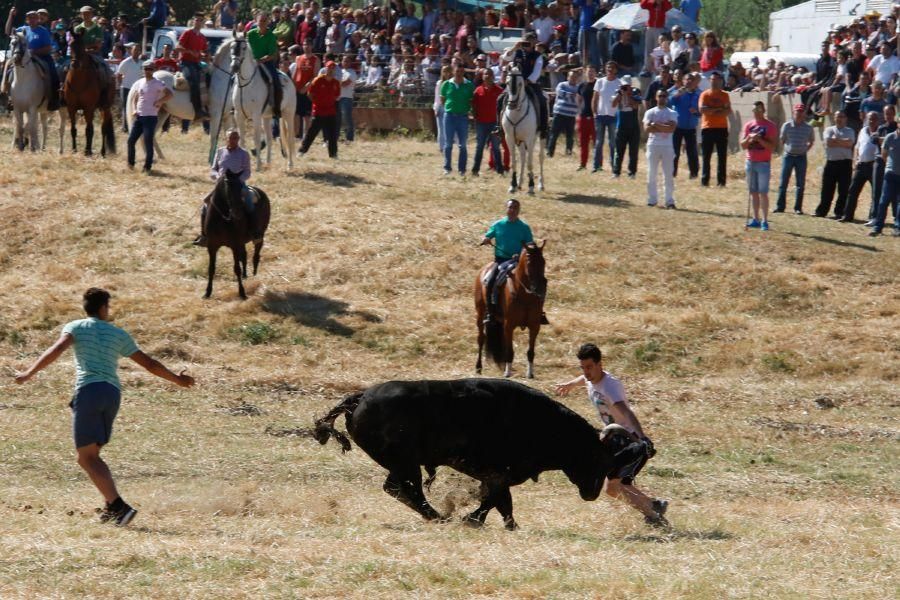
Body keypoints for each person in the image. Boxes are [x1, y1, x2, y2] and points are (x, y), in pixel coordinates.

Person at [13, 287, 194, 527]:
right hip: (112, 394)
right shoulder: (118, 334)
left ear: (86, 307)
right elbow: (149, 364)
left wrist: (28, 373)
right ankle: (111, 508)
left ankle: (120, 507)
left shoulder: (76, 327)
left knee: (86, 458)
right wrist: (178, 380)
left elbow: (57, 349)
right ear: (103, 307)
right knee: (93, 455)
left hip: (89, 391)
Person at [555, 343, 668, 527]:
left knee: (613, 487)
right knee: (615, 488)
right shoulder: (591, 379)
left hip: (629, 441)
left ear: (600, 364)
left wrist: (642, 438)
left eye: (589, 367)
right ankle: (654, 507)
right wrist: (571, 384)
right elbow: (584, 380)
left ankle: (653, 513)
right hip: (615, 440)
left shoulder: (610, 387)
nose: (586, 372)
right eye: (583, 368)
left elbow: (628, 413)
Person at [478, 199, 544, 322]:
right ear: (506, 209)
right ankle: (490, 310)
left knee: (538, 280)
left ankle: (539, 312)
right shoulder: (498, 225)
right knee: (491, 280)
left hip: (518, 261)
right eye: (510, 207)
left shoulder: (524, 227)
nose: (512, 210)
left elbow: (530, 244)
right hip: (500, 261)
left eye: (515, 208)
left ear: (519, 210)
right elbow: (488, 235)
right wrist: (486, 239)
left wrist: (522, 254)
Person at [194, 129, 257, 246]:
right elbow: (213, 169)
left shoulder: (244, 153)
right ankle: (204, 235)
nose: (234, 140)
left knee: (249, 200)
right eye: (231, 138)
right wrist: (218, 177)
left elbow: (247, 172)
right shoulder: (220, 152)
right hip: (221, 186)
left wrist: (237, 180)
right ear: (226, 139)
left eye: (236, 138)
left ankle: (254, 231)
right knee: (206, 203)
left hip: (238, 185)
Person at [4, 8, 61, 110]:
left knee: (53, 73)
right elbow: (8, 31)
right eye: (29, 18)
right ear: (27, 20)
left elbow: (48, 48)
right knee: (7, 69)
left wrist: (33, 52)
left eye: (34, 18)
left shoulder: (43, 31)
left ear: (38, 19)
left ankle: (54, 100)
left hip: (41, 56)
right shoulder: (22, 29)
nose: (32, 20)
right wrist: (10, 15)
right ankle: (8, 97)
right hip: (22, 57)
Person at [497, 33, 548, 136]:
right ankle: (499, 127)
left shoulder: (538, 56)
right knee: (500, 99)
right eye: (526, 41)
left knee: (542, 100)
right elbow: (505, 58)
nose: (528, 43)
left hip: (530, 84)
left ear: (534, 42)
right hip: (514, 83)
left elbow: (537, 72)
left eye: (530, 41)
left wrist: (528, 81)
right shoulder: (517, 52)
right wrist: (515, 47)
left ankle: (543, 128)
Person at [127, 60, 172, 174]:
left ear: (154, 70)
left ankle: (147, 167)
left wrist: (160, 101)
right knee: (130, 141)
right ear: (143, 70)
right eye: (146, 69)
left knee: (148, 142)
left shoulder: (157, 83)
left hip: (150, 117)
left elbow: (170, 94)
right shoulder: (141, 82)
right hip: (139, 116)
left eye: (150, 69)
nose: (148, 71)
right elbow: (136, 97)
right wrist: (134, 109)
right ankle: (130, 164)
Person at [740, 101, 778, 230]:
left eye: (759, 110)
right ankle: (755, 218)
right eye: (754, 110)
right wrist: (749, 138)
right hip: (750, 161)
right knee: (753, 192)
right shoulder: (749, 125)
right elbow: (743, 145)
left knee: (763, 192)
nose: (756, 112)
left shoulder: (770, 126)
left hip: (763, 163)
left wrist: (760, 139)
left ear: (763, 111)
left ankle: (765, 221)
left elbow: (772, 146)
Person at [775, 103, 815, 214]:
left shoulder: (808, 127)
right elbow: (782, 140)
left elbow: (811, 142)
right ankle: (780, 207)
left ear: (804, 114)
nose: (799, 114)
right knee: (783, 183)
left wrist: (804, 150)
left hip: (801, 157)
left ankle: (798, 208)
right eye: (797, 111)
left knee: (800, 184)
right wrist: (788, 148)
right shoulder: (786, 126)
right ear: (793, 113)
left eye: (801, 112)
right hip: (788, 156)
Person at [815, 111, 856, 219]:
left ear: (846, 118)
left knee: (843, 190)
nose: (839, 119)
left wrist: (835, 141)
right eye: (837, 117)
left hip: (845, 163)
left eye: (842, 117)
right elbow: (828, 142)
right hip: (831, 162)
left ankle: (839, 212)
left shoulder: (850, 131)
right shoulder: (829, 129)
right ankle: (822, 211)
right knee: (827, 189)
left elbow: (849, 144)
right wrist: (842, 142)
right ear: (834, 118)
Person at [843, 111, 881, 223]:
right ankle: (847, 216)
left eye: (874, 119)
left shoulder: (880, 132)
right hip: (861, 165)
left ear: (878, 120)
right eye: (869, 119)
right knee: (852, 191)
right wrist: (855, 160)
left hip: (874, 166)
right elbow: (857, 146)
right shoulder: (863, 131)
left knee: (875, 193)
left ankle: (872, 218)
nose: (871, 121)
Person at [643, 88, 678, 208]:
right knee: (651, 173)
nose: (662, 98)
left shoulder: (672, 113)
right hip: (653, 145)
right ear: (656, 98)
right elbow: (647, 129)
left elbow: (671, 129)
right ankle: (652, 199)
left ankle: (669, 200)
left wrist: (655, 124)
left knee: (668, 174)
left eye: (664, 96)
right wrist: (664, 126)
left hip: (667, 146)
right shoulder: (650, 112)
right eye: (660, 96)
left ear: (666, 98)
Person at [299, 60, 341, 158]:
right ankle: (302, 151)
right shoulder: (318, 80)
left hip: (330, 111)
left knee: (332, 134)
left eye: (333, 69)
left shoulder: (335, 83)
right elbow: (309, 94)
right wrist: (317, 103)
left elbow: (337, 95)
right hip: (318, 111)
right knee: (312, 133)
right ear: (325, 69)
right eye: (329, 68)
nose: (331, 70)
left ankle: (333, 154)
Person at [441, 64, 475, 176]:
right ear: (453, 72)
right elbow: (443, 99)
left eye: (461, 71)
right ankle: (447, 168)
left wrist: (469, 111)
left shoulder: (469, 85)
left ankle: (462, 169)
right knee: (448, 143)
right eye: (457, 71)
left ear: (463, 72)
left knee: (463, 145)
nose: (459, 73)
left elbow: (471, 101)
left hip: (463, 117)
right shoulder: (446, 84)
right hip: (449, 116)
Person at [699, 71, 731, 187]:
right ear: (710, 81)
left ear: (721, 81)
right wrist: (718, 110)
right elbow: (702, 110)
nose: (715, 82)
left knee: (722, 157)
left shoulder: (725, 95)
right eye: (713, 80)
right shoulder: (705, 95)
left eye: (717, 80)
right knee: (706, 157)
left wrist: (711, 110)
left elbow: (727, 111)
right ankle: (704, 181)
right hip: (707, 128)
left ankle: (721, 182)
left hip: (721, 128)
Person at [248, 12, 282, 119]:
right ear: (256, 21)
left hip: (266, 63)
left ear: (268, 22)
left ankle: (276, 107)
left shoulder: (271, 36)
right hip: (251, 62)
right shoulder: (250, 34)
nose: (262, 23)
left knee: (276, 80)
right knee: (235, 77)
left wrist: (261, 60)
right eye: (260, 21)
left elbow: (272, 54)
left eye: (264, 21)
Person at [869, 104, 898, 225]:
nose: (888, 116)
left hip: (894, 164)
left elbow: (884, 141)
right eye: (886, 114)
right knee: (877, 191)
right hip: (880, 162)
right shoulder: (881, 127)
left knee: (895, 195)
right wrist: (885, 140)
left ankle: (896, 218)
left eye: (890, 114)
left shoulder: (897, 127)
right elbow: (874, 140)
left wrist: (883, 140)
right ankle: (875, 217)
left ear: (894, 114)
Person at [471, 68, 503, 176]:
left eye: (489, 74)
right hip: (481, 123)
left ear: (493, 76)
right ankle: (475, 170)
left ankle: (499, 170)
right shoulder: (478, 90)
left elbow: (503, 108)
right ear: (482, 76)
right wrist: (475, 117)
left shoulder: (499, 91)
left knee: (495, 147)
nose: (487, 76)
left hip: (495, 123)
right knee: (479, 147)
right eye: (485, 74)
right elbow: (473, 105)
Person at [177, 13, 209, 120]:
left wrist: (206, 55)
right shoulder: (187, 33)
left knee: (209, 78)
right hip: (185, 62)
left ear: (203, 23)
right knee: (194, 81)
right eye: (197, 20)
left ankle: (207, 106)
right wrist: (190, 52)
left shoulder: (202, 37)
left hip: (196, 63)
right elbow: (178, 47)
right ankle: (197, 111)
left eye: (201, 20)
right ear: (193, 21)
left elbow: (204, 51)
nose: (198, 22)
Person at [669, 72, 700, 178]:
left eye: (691, 79)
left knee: (692, 152)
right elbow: (670, 101)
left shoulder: (698, 94)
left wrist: (695, 112)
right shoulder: (678, 92)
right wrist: (678, 93)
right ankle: (672, 173)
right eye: (687, 79)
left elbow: (701, 113)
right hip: (677, 127)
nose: (689, 81)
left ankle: (694, 173)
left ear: (694, 82)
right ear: (683, 81)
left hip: (691, 127)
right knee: (674, 151)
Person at [591, 61, 621, 172]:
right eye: (608, 67)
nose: (609, 69)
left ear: (616, 70)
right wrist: (594, 113)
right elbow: (595, 98)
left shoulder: (619, 83)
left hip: (613, 116)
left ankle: (614, 166)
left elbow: (620, 100)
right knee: (599, 142)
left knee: (613, 142)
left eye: (612, 68)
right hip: (600, 116)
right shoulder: (600, 82)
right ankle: (596, 166)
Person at [611, 75, 642, 179]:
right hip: (621, 126)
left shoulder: (636, 91)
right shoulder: (618, 92)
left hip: (633, 126)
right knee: (619, 150)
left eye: (627, 86)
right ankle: (616, 172)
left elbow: (635, 105)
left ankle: (632, 172)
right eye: (623, 85)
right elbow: (613, 104)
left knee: (633, 151)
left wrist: (628, 95)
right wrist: (620, 95)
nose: (625, 87)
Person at [547, 68, 580, 159]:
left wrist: (570, 95)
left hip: (571, 115)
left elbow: (579, 98)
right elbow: (560, 93)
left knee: (570, 136)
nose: (573, 78)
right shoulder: (561, 85)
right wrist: (572, 95)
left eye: (575, 77)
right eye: (571, 76)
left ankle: (568, 152)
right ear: (568, 77)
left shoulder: (578, 88)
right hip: (559, 113)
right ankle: (550, 153)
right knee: (554, 134)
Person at [639, 0, 672, 77]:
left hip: (659, 28)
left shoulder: (664, 4)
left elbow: (669, 6)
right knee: (648, 49)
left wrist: (662, 1)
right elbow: (642, 5)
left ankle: (657, 69)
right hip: (650, 28)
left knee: (657, 49)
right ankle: (647, 69)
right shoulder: (650, 3)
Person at [116, 43, 143, 132]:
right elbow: (119, 74)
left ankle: (134, 126)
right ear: (131, 51)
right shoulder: (126, 62)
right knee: (126, 108)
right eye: (135, 50)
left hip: (137, 89)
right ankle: (125, 127)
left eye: (138, 50)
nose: (136, 52)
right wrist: (121, 85)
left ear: (140, 52)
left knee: (136, 108)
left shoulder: (141, 63)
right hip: (126, 88)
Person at [577, 66, 597, 171]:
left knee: (596, 142)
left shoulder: (598, 84)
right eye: (589, 71)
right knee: (583, 143)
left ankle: (597, 165)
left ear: (595, 73)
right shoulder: (581, 86)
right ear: (586, 73)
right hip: (583, 117)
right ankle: (583, 164)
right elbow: (578, 100)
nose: (590, 73)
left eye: (592, 71)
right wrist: (579, 114)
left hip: (595, 117)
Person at [337, 54, 357, 142]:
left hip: (347, 97)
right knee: (338, 118)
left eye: (347, 61)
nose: (345, 62)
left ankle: (349, 138)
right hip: (338, 97)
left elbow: (345, 83)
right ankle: (337, 136)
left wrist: (335, 83)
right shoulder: (339, 71)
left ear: (350, 63)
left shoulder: (352, 72)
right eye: (344, 60)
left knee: (347, 117)